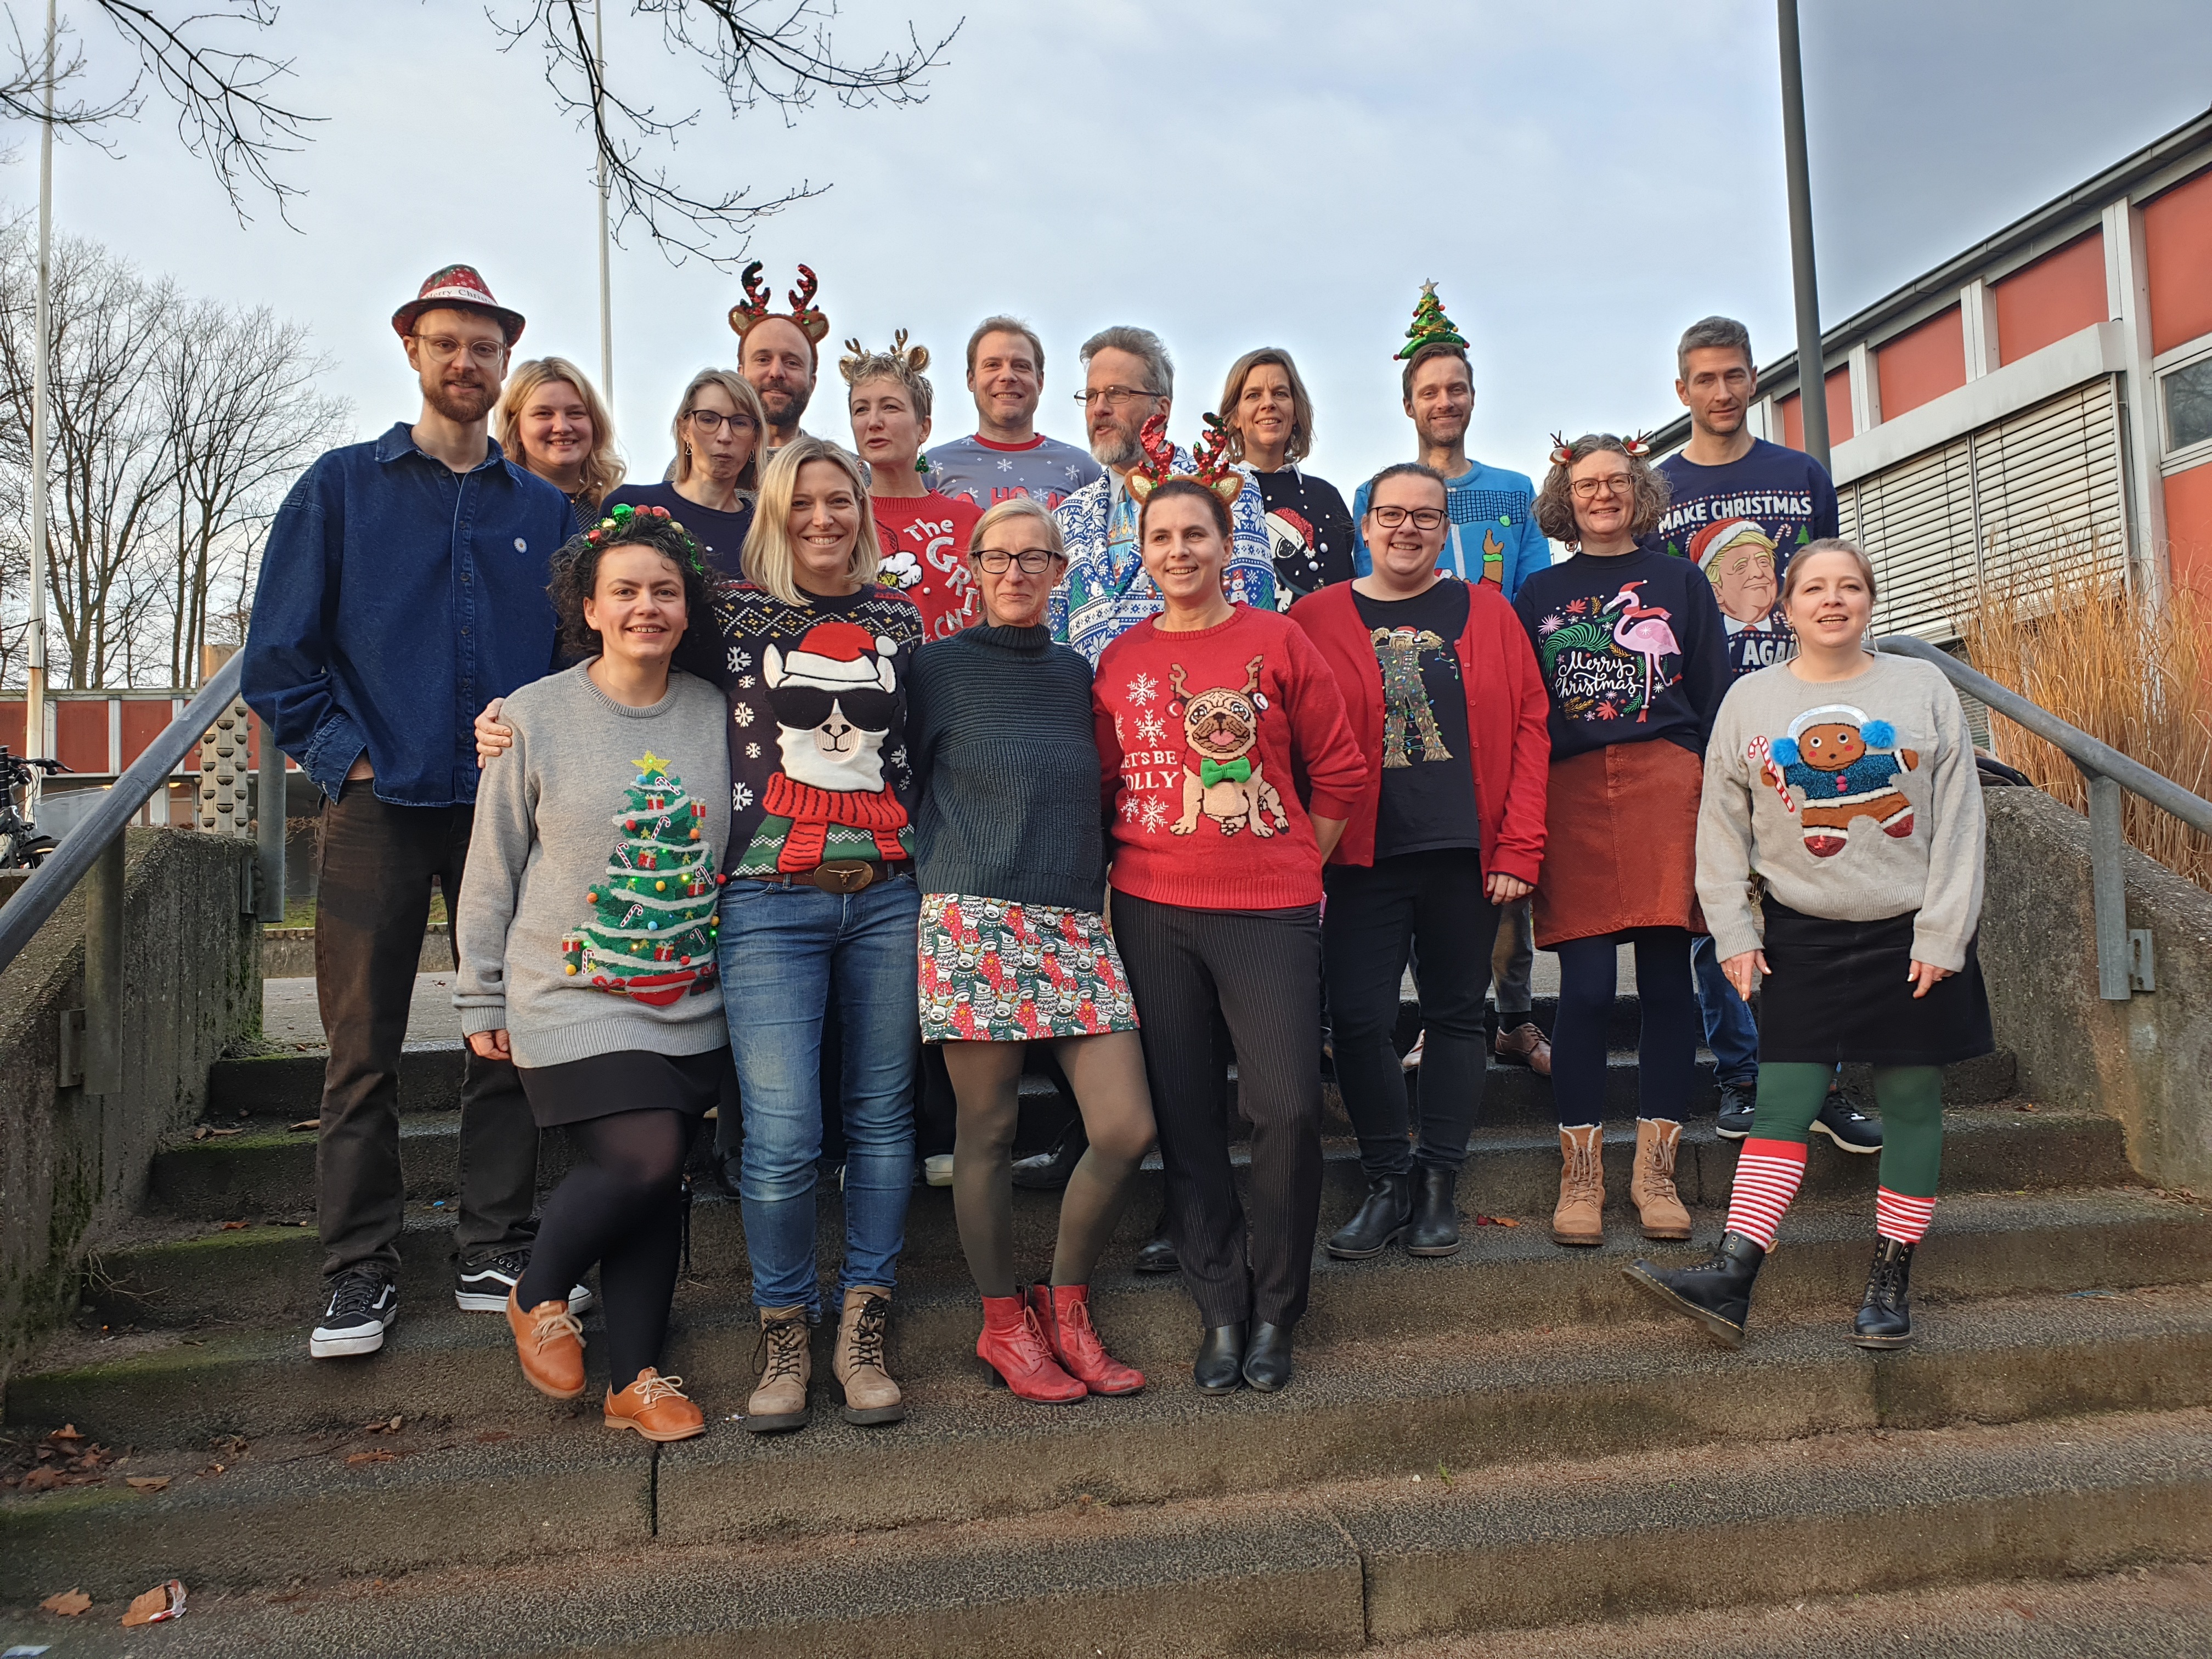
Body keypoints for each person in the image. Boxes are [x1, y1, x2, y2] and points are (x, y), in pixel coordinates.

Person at [243, 264, 585, 1360]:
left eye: (484, 346)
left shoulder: (543, 512)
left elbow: (572, 663)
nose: (465, 362)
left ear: (504, 360)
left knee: (506, 1036)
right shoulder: (342, 487)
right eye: (447, 343)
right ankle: (359, 1268)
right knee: (361, 1050)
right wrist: (344, 760)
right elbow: (277, 655)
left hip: (504, 818)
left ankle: (494, 1245)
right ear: (412, 351)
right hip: (378, 808)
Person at [1627, 539, 1990, 1348]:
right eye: (1815, 589)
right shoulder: (1751, 701)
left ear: (1869, 600)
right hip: (1801, 934)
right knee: (1783, 1103)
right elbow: (1721, 828)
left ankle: (1890, 1282)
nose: (1834, 600)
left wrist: (1944, 932)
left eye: (1850, 586)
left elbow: (1963, 820)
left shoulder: (1921, 687)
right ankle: (1733, 1278)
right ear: (1786, 608)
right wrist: (1733, 930)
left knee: (1910, 1101)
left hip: (1909, 934)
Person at [1094, 419, 1364, 1394]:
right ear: (1142, 551)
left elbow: (1339, 768)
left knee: (1284, 1107)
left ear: (1224, 544)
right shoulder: (1120, 661)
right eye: (1162, 537)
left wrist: (1292, 861)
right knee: (1186, 1111)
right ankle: (1218, 1303)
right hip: (1153, 909)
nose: (1179, 551)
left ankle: (1277, 1304)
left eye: (1195, 535)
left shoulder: (1276, 640)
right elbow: (1109, 785)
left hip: (1269, 911)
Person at [455, 504, 727, 1442]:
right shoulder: (530, 716)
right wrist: (478, 990)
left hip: (688, 997)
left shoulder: (719, 714)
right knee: (645, 1154)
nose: (647, 606)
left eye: (665, 591)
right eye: (626, 591)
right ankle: (537, 1290)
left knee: (658, 1175)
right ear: (590, 606)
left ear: (687, 608)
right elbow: (492, 865)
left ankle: (635, 1378)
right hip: (567, 994)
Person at [907, 496, 1154, 1402]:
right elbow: (893, 780)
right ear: (972, 568)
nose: (1015, 572)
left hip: (1074, 922)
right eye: (997, 557)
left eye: (1034, 558)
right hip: (972, 918)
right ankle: (1003, 1323)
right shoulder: (933, 670)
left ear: (1060, 572)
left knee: (1125, 1127)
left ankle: (1068, 1306)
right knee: (989, 1129)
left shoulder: (1076, 672)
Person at [713, 437, 925, 1434]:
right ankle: (786, 1329)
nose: (824, 519)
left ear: (862, 511)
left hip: (889, 892)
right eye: (802, 503)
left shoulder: (899, 618)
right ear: (774, 513)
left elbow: (927, 740)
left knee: (883, 1117)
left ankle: (863, 1324)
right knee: (785, 1129)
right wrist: (514, 713)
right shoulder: (731, 613)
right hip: (768, 899)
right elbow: (622, 666)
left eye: (839, 501)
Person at [1291, 464, 1549, 1261]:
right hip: (1356, 856)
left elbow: (1531, 728)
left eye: (1426, 517)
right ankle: (1386, 1181)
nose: (1407, 528)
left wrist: (1519, 846)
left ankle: (1439, 1180)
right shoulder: (1313, 618)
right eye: (1392, 514)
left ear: (1445, 530)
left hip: (1463, 853)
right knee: (1358, 1018)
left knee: (1455, 1015)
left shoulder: (1490, 612)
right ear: (1366, 525)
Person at [1654, 315, 1872, 1153]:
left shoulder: (1800, 474)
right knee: (1724, 903)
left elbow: (1832, 583)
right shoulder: (1663, 490)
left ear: (1754, 379)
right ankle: (1743, 1078)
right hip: (1708, 726)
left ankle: (1821, 1082)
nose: (1722, 391)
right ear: (1683, 389)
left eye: (1734, 375)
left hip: (1805, 717)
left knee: (1817, 902)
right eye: (1705, 379)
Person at [1514, 433, 1728, 1250]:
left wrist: (1717, 796)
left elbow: (1713, 695)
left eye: (1617, 481)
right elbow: (1528, 707)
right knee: (1588, 989)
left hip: (1666, 785)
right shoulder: (1538, 593)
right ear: (1564, 501)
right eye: (1586, 484)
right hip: (1571, 792)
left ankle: (1655, 1173)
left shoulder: (1681, 581)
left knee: (1669, 984)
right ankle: (1582, 1176)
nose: (1602, 494)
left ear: (1640, 491)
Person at [1349, 283, 1554, 1077]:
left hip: (1491, 692)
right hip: (1415, 694)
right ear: (1408, 404)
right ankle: (1443, 1017)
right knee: (1427, 865)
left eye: (1457, 388)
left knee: (1501, 874)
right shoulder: (1378, 496)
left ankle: (1516, 1017)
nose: (1445, 401)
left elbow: (1531, 592)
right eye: (1430, 391)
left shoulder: (1512, 490)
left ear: (1473, 396)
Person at [1049, 325, 1275, 665]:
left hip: (1194, 689)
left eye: (1117, 393)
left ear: (1162, 409)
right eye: (1091, 395)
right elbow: (1057, 640)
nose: (1099, 408)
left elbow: (1254, 612)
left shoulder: (1221, 485)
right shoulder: (1068, 514)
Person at [843, 332, 983, 639]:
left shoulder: (971, 521)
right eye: (861, 409)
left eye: (890, 407)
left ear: (924, 428)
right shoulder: (841, 519)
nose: (873, 422)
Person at [1218, 347, 1353, 605]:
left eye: (1280, 393)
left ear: (1295, 412)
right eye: (1253, 395)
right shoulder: (1212, 496)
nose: (1268, 404)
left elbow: (1347, 593)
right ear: (1235, 416)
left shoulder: (1326, 497)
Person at [925, 316, 1103, 510]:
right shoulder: (932, 468)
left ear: (1040, 382)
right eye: (992, 365)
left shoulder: (1083, 470)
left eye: (1021, 366)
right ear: (971, 380)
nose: (1007, 376)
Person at [605, 369, 765, 584]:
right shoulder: (631, 507)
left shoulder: (765, 530)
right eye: (708, 420)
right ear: (684, 430)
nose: (725, 436)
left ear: (755, 438)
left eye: (740, 423)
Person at [494, 356, 624, 534]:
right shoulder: (494, 509)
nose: (562, 427)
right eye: (544, 414)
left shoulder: (618, 514)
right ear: (515, 428)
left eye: (575, 413)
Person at [727, 259, 828, 455]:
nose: (776, 373)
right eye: (763, 360)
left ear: (812, 382)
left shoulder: (843, 468)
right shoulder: (700, 465)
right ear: (741, 374)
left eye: (792, 363)